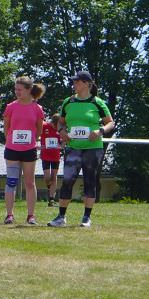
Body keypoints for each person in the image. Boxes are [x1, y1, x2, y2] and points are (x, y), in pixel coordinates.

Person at [49, 71, 114, 228]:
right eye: (74, 82)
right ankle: (61, 217)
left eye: (77, 82)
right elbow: (61, 122)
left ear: (87, 84)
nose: (74, 84)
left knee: (89, 180)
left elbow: (110, 122)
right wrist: (62, 131)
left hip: (93, 148)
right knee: (67, 181)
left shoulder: (97, 102)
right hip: (73, 147)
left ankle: (86, 217)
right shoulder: (68, 101)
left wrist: (100, 131)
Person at [2, 76, 45, 226]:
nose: (17, 92)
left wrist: (31, 140)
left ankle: (31, 215)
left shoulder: (37, 108)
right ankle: (9, 215)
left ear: (29, 90)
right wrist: (11, 140)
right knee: (11, 181)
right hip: (12, 149)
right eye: (15, 89)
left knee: (29, 183)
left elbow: (39, 130)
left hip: (29, 150)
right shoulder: (10, 107)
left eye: (20, 89)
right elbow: (6, 127)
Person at [40, 114, 62, 207]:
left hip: (55, 156)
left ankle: (51, 199)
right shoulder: (44, 126)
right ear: (53, 123)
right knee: (47, 178)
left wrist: (61, 145)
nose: (57, 128)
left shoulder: (61, 129)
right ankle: (50, 187)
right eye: (56, 125)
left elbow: (63, 141)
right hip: (45, 156)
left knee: (54, 177)